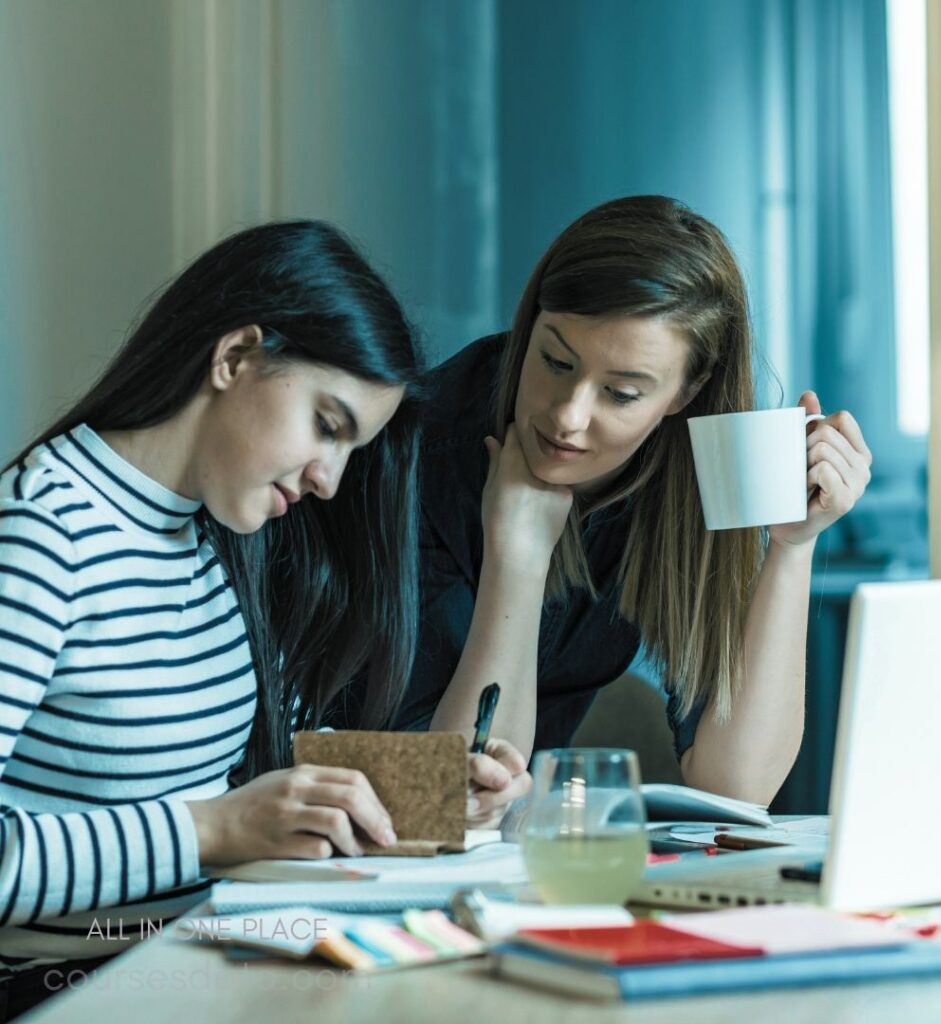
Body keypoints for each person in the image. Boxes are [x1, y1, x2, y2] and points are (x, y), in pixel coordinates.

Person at [0, 221, 528, 1020]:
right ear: (235, 356)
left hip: (206, 949)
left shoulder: (212, 533)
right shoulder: (44, 531)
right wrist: (213, 831)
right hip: (67, 983)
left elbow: (242, 790)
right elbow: (217, 818)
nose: (328, 479)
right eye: (328, 425)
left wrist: (434, 803)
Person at [366, 195, 872, 806]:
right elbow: (445, 794)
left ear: (687, 392)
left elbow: (736, 786)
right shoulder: (412, 452)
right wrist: (518, 561)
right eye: (555, 360)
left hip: (518, 855)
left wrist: (792, 547)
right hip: (361, 839)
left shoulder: (693, 471)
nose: (568, 415)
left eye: (622, 393)